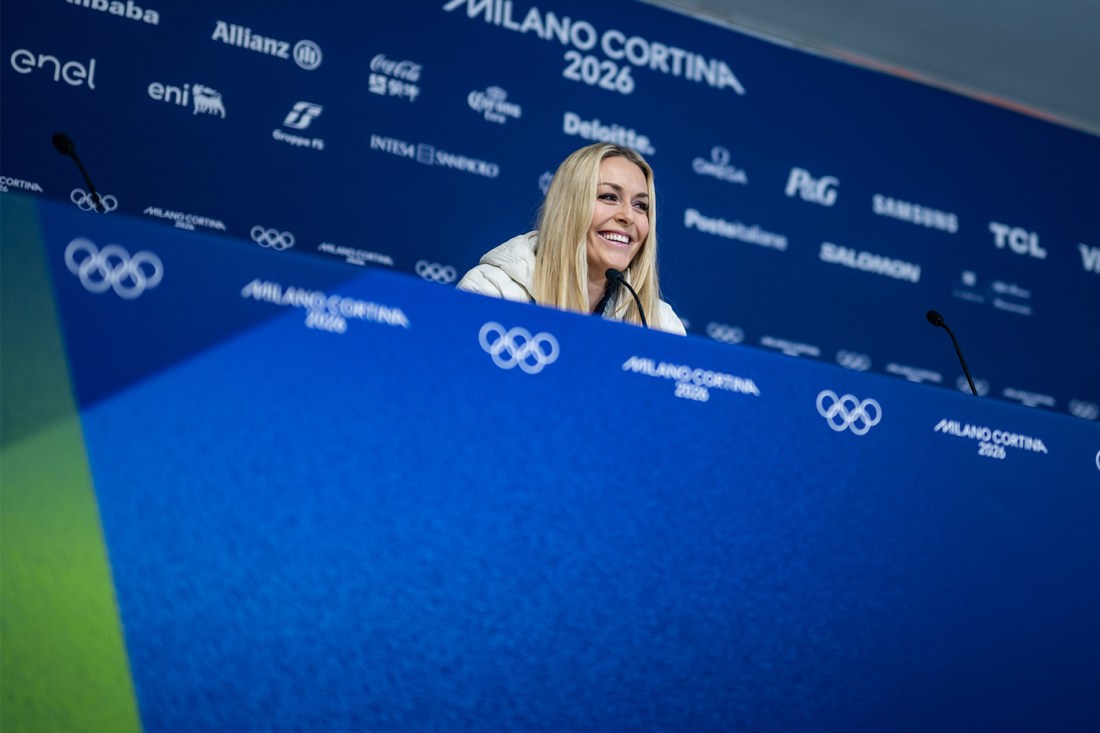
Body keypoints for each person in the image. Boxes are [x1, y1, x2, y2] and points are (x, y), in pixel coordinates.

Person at [456, 143, 686, 335]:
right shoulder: (492, 291)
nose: (628, 216)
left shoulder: (661, 325)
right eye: (608, 197)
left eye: (640, 206)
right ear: (569, 207)